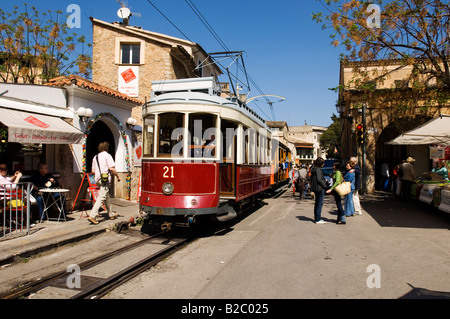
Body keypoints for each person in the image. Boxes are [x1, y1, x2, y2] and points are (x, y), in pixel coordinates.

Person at [89, 141, 121, 225]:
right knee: (101, 197)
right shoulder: (108, 156)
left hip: (97, 180)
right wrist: (118, 176)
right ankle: (92, 215)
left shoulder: (95, 157)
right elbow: (111, 169)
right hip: (105, 180)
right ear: (106, 148)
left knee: (106, 196)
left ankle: (111, 214)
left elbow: (92, 171)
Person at [310, 157, 327, 224]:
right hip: (319, 188)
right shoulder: (318, 170)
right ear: (320, 163)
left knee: (317, 203)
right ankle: (318, 218)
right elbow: (319, 179)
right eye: (323, 163)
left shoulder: (313, 169)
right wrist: (324, 185)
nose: (324, 164)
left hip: (315, 188)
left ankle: (317, 217)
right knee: (319, 203)